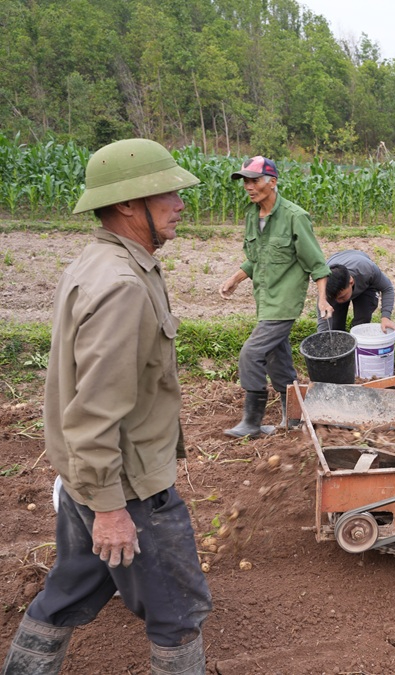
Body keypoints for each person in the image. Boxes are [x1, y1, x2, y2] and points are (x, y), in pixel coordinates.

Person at [2, 139, 210, 674]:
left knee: (70, 588)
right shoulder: (121, 285)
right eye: (167, 192)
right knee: (178, 611)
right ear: (126, 204)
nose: (180, 203)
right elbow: (95, 410)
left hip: (87, 480)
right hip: (129, 488)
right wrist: (112, 509)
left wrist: (93, 494)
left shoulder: (102, 263)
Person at [220, 156, 332, 437]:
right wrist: (235, 279)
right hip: (265, 300)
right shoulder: (251, 215)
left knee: (251, 353)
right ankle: (293, 417)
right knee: (275, 359)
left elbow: (316, 263)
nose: (248, 186)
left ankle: (252, 422)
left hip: (283, 303)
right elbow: (256, 258)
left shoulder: (295, 217)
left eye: (254, 180)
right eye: (245, 181)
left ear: (272, 181)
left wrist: (322, 298)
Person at [319, 250, 395, 335]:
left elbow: (387, 288)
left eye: (342, 297)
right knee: (335, 325)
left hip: (365, 284)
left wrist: (386, 317)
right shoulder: (324, 284)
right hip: (338, 261)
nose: (338, 301)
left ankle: (359, 342)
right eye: (335, 298)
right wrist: (322, 338)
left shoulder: (367, 270)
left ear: (351, 281)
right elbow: (323, 321)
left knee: (363, 319)